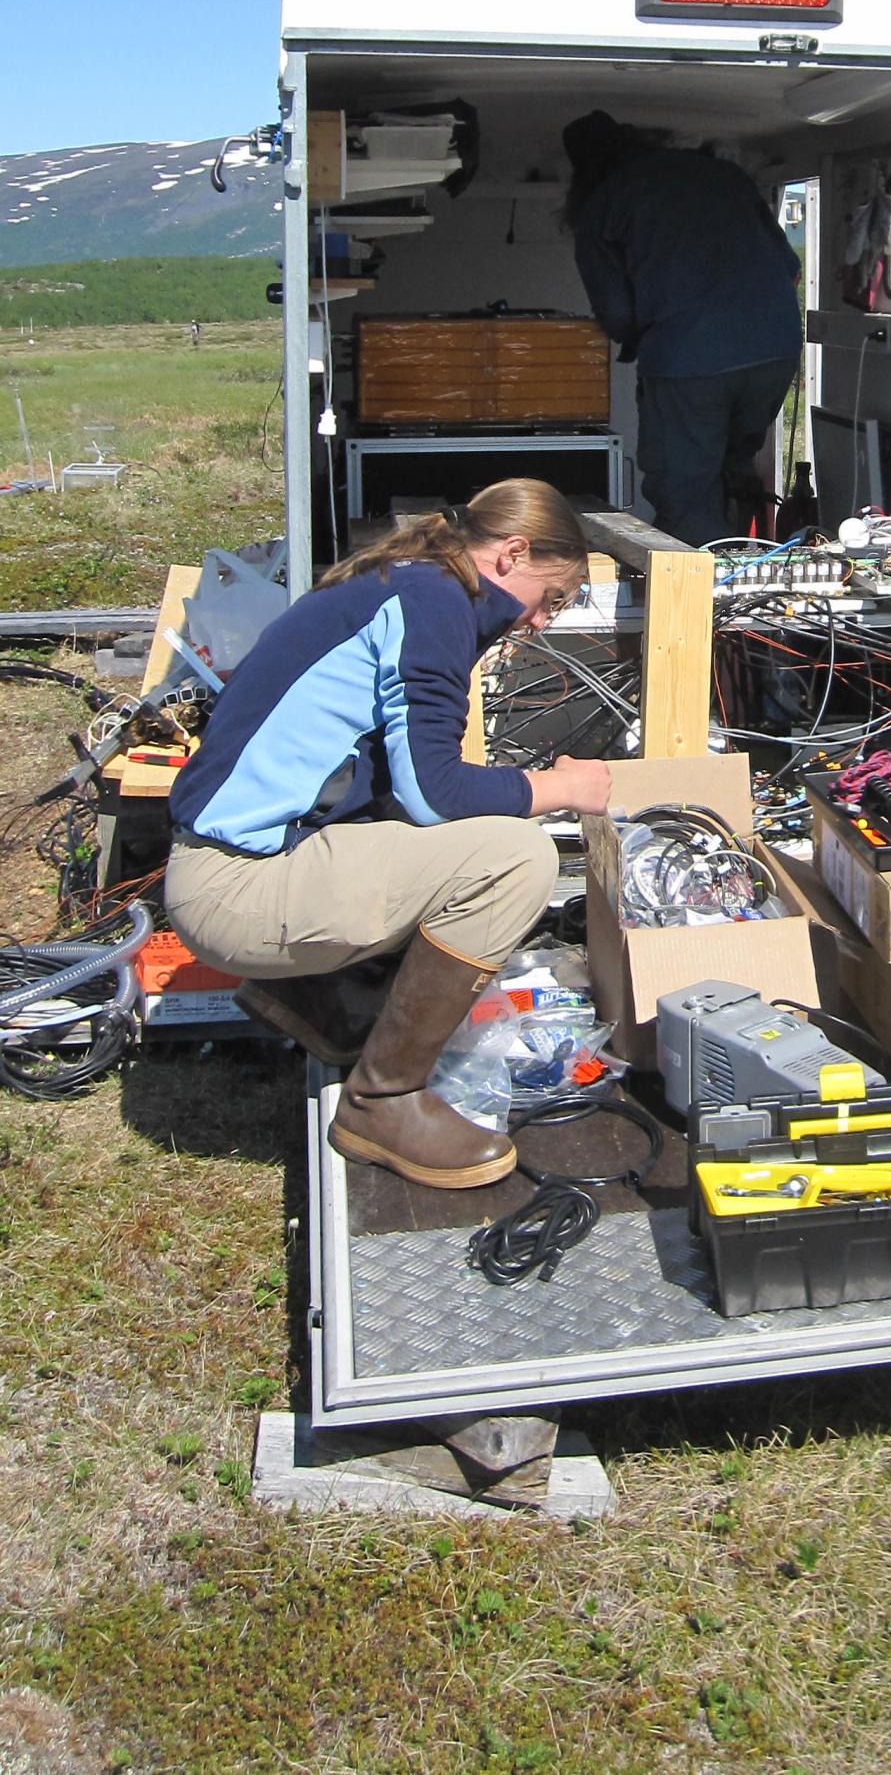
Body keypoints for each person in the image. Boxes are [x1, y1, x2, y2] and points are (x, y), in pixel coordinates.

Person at [164, 479, 610, 1191]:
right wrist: (560, 789)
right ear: (512, 553)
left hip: (232, 864)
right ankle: (383, 1099)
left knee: (472, 832)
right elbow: (435, 792)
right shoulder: (432, 603)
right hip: (234, 887)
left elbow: (404, 787)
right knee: (515, 857)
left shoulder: (411, 584)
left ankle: (325, 1000)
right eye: (551, 597)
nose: (540, 622)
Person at [562, 111, 802, 545]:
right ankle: (746, 568)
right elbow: (790, 265)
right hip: (776, 347)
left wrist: (648, 333)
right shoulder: (723, 174)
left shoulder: (601, 205)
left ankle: (708, 603)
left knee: (686, 489)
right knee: (731, 467)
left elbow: (615, 313)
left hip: (690, 360)